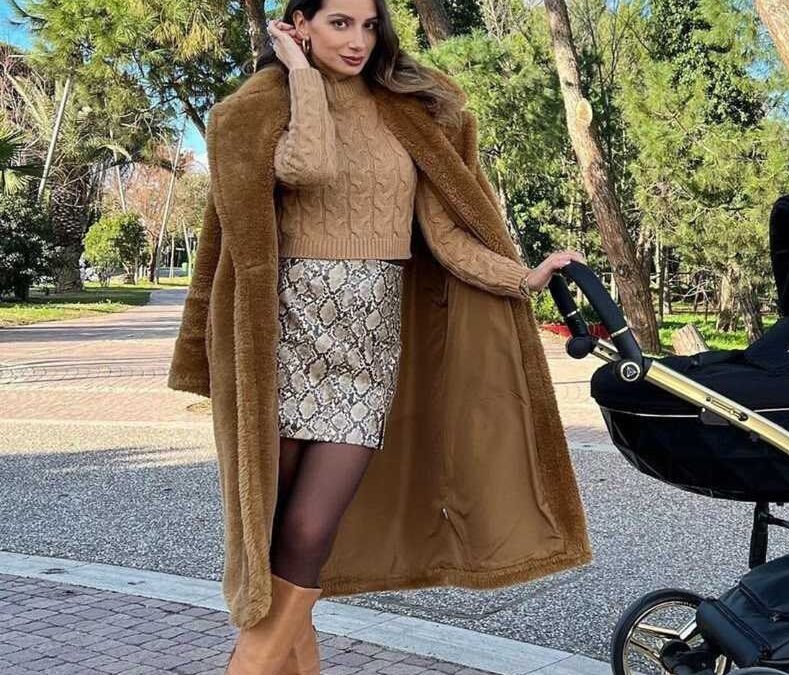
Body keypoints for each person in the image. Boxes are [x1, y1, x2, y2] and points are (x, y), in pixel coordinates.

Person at [167, 0, 594, 672]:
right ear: (298, 24)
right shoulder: (264, 108)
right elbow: (305, 166)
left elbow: (446, 235)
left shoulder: (409, 112)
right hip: (282, 342)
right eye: (339, 23)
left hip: (366, 353)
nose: (358, 40)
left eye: (368, 25)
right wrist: (299, 73)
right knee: (274, 539)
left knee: (310, 531)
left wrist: (524, 276)